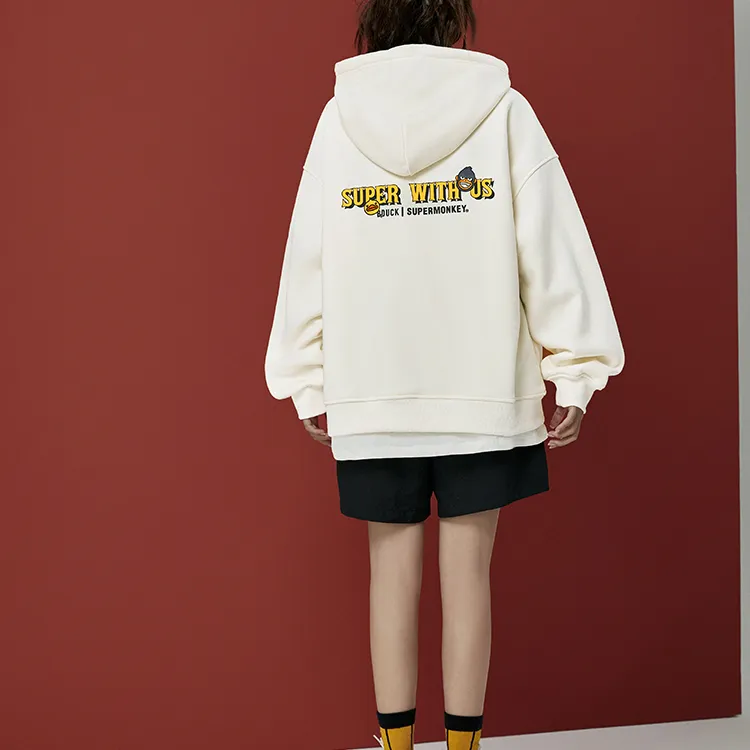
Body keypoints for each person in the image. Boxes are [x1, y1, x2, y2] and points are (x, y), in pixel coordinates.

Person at [264, 1, 624, 747]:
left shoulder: (339, 121)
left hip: (374, 392)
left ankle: (396, 746)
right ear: (454, 23)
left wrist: (307, 377)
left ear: (376, 25)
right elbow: (550, 245)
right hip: (481, 391)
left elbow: (308, 259)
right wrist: (576, 369)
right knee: (469, 578)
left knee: (389, 578)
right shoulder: (505, 112)